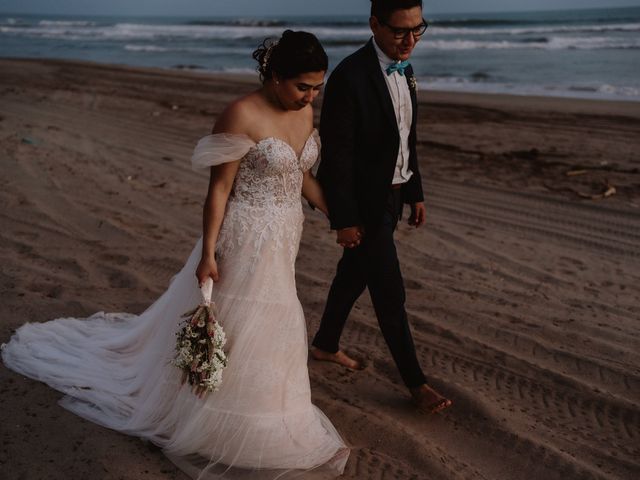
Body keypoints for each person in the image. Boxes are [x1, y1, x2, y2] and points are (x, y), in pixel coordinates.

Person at [1, 30, 349, 479]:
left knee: (276, 317)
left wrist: (340, 218)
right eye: (303, 86)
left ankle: (270, 407)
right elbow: (219, 191)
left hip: (286, 233)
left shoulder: (304, 113)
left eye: (318, 87)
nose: (310, 96)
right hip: (242, 236)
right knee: (241, 319)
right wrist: (208, 253)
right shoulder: (241, 113)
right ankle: (215, 416)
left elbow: (300, 177)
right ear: (276, 75)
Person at [310, 0, 452, 415]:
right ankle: (416, 383)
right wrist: (345, 218)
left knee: (353, 275)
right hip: (365, 204)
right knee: (390, 292)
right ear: (374, 24)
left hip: (394, 193)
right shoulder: (349, 77)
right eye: (399, 31)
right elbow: (338, 156)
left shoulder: (405, 70)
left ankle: (324, 345)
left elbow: (407, 137)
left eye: (418, 29)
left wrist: (414, 190)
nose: (410, 40)